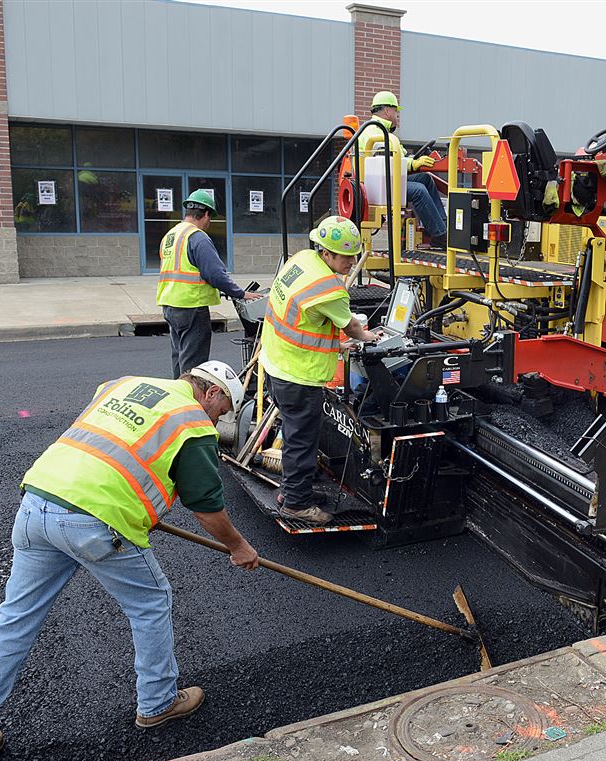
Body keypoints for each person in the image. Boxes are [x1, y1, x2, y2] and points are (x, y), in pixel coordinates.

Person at [0, 361, 260, 761]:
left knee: (14, 620)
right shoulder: (192, 422)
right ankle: (158, 702)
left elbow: (116, 445)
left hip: (37, 502)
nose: (217, 420)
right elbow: (205, 505)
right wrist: (238, 547)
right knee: (151, 602)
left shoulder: (125, 383)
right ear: (212, 394)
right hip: (94, 522)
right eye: (221, 412)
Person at [260, 216, 379, 525]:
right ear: (326, 253)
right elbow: (351, 326)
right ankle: (297, 505)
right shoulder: (330, 290)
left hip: (276, 364)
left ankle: (292, 491)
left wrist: (336, 346)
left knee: (293, 434)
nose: (352, 262)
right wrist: (367, 337)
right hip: (298, 376)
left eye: (354, 255)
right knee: (302, 442)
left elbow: (305, 322)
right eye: (345, 256)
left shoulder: (301, 261)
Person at [156, 189, 264, 377]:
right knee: (193, 365)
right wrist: (241, 293)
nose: (209, 222)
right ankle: (191, 401)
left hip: (170, 305)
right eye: (210, 217)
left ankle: (179, 397)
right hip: (192, 307)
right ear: (205, 214)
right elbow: (215, 274)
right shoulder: (197, 237)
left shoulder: (170, 236)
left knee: (179, 357)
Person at [357, 91, 447, 249]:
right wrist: (413, 164)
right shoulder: (376, 134)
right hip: (378, 187)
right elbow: (388, 161)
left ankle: (443, 227)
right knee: (419, 190)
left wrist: (415, 161)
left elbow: (400, 157)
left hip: (384, 181)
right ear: (387, 111)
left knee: (425, 178)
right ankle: (440, 236)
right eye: (396, 111)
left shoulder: (380, 132)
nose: (397, 116)